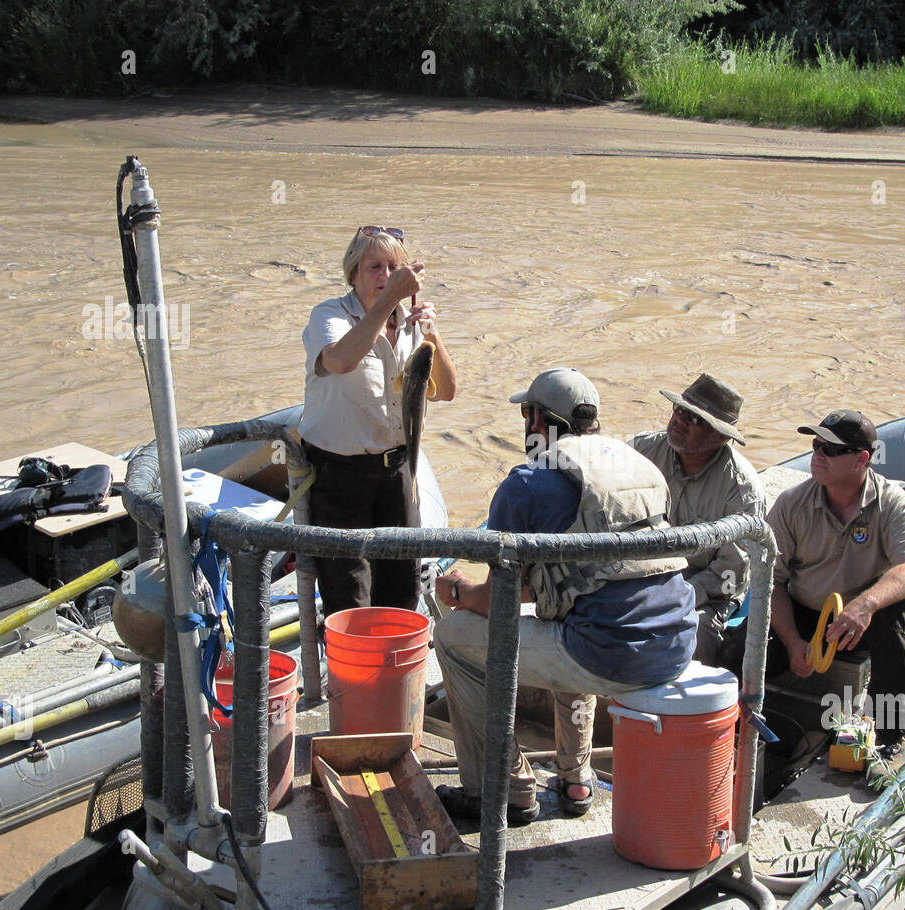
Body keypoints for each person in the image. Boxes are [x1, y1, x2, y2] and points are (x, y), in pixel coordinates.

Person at [432, 368, 696, 822]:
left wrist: (458, 590)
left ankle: (502, 789)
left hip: (609, 654)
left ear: (538, 420)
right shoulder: (639, 465)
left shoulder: (527, 483)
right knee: (574, 616)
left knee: (454, 637)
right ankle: (576, 779)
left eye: (526, 413)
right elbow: (594, 578)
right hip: (677, 641)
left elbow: (497, 599)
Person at [298, 225, 456, 617]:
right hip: (339, 474)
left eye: (393, 268)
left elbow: (447, 390)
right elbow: (339, 360)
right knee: (348, 594)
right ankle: (350, 657)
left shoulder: (411, 322)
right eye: (374, 267)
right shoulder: (329, 315)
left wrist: (432, 334)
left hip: (398, 469)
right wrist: (387, 301)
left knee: (402, 589)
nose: (385, 276)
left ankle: (394, 653)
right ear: (353, 273)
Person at [764, 410, 905, 754]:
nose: (818, 456)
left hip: (865, 621)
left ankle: (891, 735)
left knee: (897, 621)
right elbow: (771, 582)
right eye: (816, 446)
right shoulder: (791, 504)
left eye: (831, 450)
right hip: (806, 616)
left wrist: (865, 605)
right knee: (743, 648)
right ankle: (736, 726)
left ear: (861, 459)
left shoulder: (892, 504)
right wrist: (792, 641)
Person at [630, 373, 764, 666]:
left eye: (695, 419)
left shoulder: (741, 490)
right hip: (638, 579)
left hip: (706, 594)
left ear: (721, 437)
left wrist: (673, 597)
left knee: (694, 632)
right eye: (679, 410)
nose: (680, 421)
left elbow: (730, 573)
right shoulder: (639, 451)